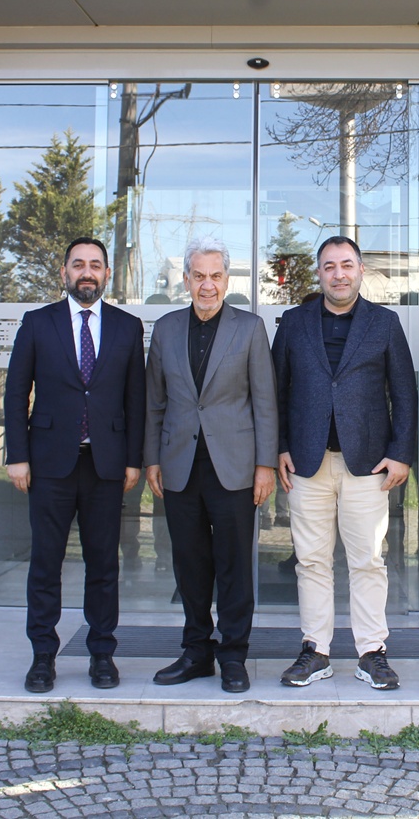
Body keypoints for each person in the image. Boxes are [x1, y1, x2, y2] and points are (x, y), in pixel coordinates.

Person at [272, 235, 417, 690]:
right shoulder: (293, 323)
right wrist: (279, 446)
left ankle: (372, 652)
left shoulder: (384, 323)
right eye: (330, 266)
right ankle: (315, 650)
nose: (339, 274)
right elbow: (275, 390)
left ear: (360, 271)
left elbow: (405, 393)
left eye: (347, 265)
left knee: (368, 561)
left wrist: (401, 454)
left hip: (367, 465)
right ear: (319, 273)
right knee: (311, 561)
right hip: (306, 464)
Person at [3, 236, 145, 694]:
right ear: (64, 272)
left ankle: (102, 653)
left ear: (107, 274)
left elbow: (136, 399)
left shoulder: (127, 327)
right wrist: (17, 455)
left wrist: (134, 460)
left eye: (95, 265)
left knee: (103, 565)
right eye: (78, 264)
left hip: (106, 465)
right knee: (46, 563)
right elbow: (15, 392)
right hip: (49, 464)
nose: (87, 272)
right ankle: (43, 656)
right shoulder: (37, 322)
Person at [144, 236, 278, 693]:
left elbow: (265, 402)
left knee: (235, 564)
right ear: (185, 280)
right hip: (179, 465)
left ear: (226, 279)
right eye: (198, 276)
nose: (207, 285)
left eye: (215, 276)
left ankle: (234, 655)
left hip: (235, 466)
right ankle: (196, 651)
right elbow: (155, 402)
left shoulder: (250, 328)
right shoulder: (165, 330)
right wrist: (151, 460)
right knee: (190, 563)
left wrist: (264, 466)